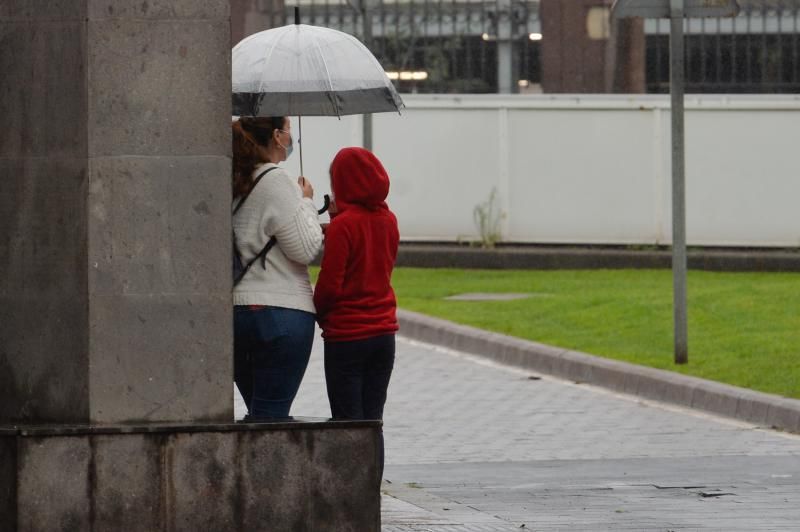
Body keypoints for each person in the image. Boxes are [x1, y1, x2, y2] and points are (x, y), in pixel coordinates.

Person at [313, 147, 399, 471]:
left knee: (347, 423)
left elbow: (331, 285)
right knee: (372, 421)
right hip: (383, 335)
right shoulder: (390, 220)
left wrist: (317, 313)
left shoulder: (342, 227)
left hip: (347, 338)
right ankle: (371, 495)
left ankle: (350, 498)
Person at [232, 116, 323, 420]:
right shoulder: (275, 179)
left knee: (260, 412)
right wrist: (306, 202)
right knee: (271, 419)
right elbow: (306, 248)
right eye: (288, 132)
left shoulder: (233, 178)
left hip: (236, 314)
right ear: (276, 136)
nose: (290, 139)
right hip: (280, 311)